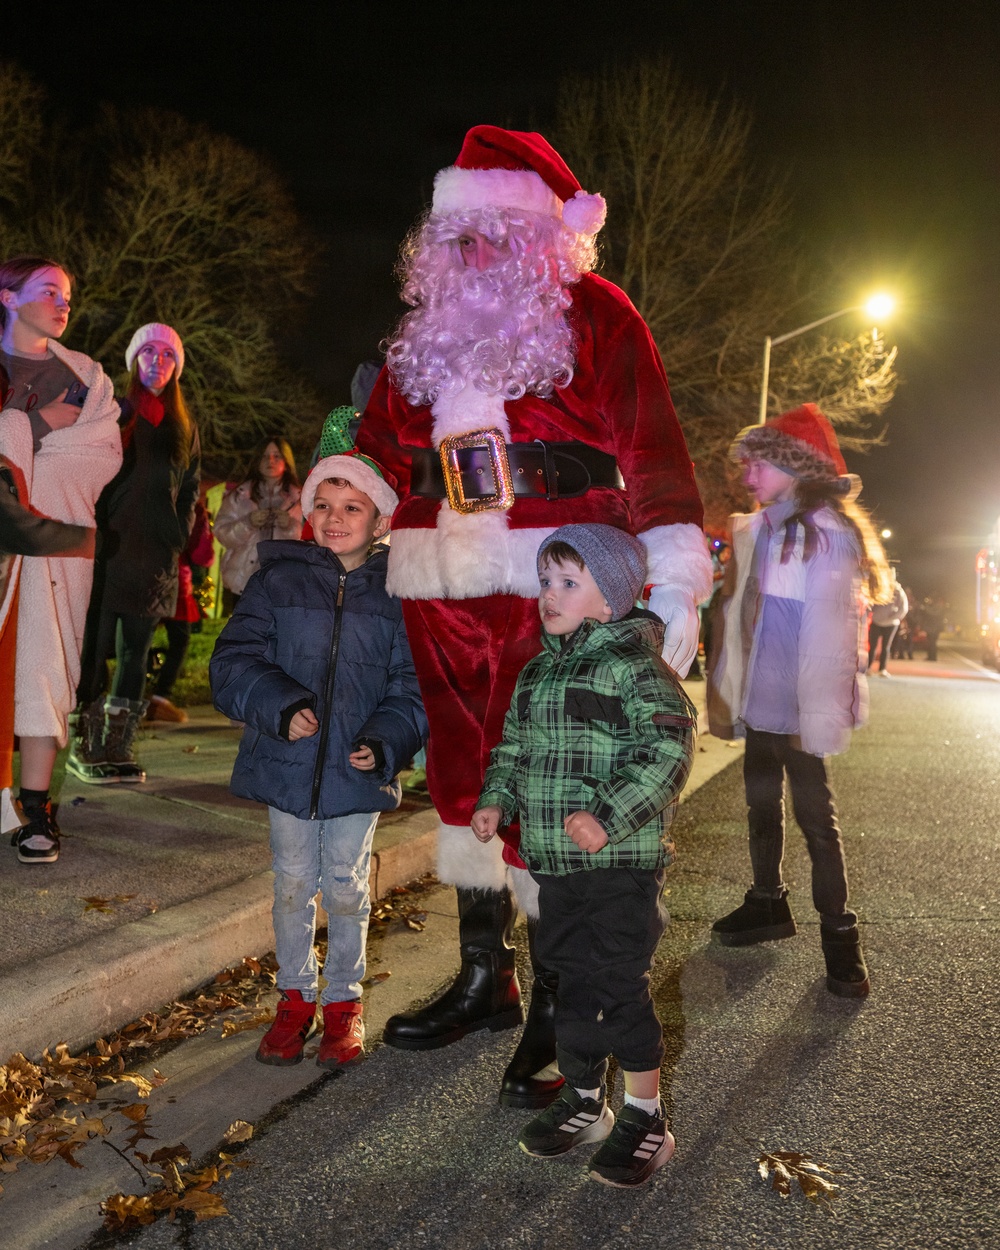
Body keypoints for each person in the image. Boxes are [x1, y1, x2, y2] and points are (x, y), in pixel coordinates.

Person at [356, 125, 712, 1107]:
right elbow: (381, 441)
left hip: (554, 576)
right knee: (470, 778)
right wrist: (345, 485)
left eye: (491, 230)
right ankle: (484, 973)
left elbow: (652, 445)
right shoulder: (420, 334)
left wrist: (674, 569)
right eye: (457, 231)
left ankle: (561, 993)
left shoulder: (595, 313)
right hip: (441, 580)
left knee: (552, 783)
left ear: (539, 235)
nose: (471, 248)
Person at [472, 524, 695, 1187]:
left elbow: (667, 752)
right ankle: (585, 1096)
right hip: (557, 865)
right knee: (566, 979)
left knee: (617, 985)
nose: (550, 594)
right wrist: (496, 799)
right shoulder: (538, 671)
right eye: (545, 581)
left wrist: (605, 816)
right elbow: (513, 749)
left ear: (611, 599)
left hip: (621, 864)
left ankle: (646, 1116)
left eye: (569, 582)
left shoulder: (634, 668)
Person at [210, 451, 426, 1068]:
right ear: (306, 513)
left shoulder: (399, 592)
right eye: (323, 506)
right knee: (293, 884)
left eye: (352, 507)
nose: (335, 518)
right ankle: (295, 998)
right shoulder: (276, 580)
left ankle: (343, 1002)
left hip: (357, 770)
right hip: (289, 762)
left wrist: (388, 738)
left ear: (380, 518)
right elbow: (232, 662)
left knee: (347, 887)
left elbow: (414, 682)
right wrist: (278, 705)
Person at [706, 404, 891, 997]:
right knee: (761, 800)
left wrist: (818, 716)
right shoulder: (761, 529)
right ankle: (767, 903)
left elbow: (830, 636)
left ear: (795, 468)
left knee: (816, 816)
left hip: (801, 699)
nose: (747, 475)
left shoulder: (825, 535)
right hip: (763, 694)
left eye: (759, 464)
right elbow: (745, 618)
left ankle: (841, 940)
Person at [0, 256, 122, 862]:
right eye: (48, 291)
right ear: (7, 296)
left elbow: (100, 455)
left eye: (68, 295)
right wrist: (36, 423)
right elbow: (47, 442)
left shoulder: (87, 378)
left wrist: (21, 450)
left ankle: (38, 810)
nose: (63, 303)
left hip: (53, 543)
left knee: (45, 671)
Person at [69, 323, 200, 784]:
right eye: (150, 352)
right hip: (109, 551)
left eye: (168, 356)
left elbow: (190, 489)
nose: (158, 363)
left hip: (155, 559)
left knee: (136, 655)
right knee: (94, 650)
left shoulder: (183, 426)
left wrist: (178, 534)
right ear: (134, 360)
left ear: (177, 367)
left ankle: (116, 747)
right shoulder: (112, 411)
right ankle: (83, 744)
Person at [146, 498, 215, 724]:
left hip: (146, 574)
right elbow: (201, 555)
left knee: (137, 639)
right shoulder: (191, 504)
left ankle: (140, 697)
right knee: (178, 639)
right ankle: (158, 697)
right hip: (172, 578)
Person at [214, 436, 302, 601]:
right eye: (264, 455)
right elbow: (221, 533)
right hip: (243, 582)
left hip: (283, 584)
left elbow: (310, 542)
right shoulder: (239, 496)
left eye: (277, 456)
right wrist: (248, 523)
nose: (270, 460)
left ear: (286, 460)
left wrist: (289, 526)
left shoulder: (301, 499)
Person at [867, 568, 907, 676]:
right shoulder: (878, 589)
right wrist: (870, 614)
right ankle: (868, 668)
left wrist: (895, 618)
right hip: (876, 621)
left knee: (886, 646)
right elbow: (870, 604)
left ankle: (882, 669)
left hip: (891, 624)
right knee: (872, 645)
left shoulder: (898, 591)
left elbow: (903, 608)